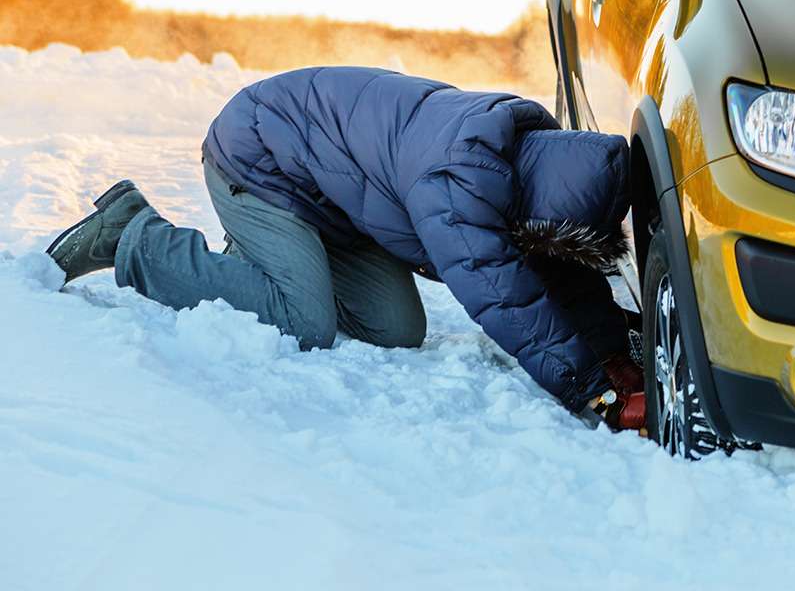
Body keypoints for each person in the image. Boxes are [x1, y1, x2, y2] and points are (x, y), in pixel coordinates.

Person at [45, 67, 646, 430]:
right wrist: (593, 391)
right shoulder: (457, 183)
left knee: (397, 328)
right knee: (304, 320)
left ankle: (265, 265)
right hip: (257, 161)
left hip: (335, 201)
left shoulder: (524, 154)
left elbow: (560, 271)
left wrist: (616, 356)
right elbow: (503, 297)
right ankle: (133, 236)